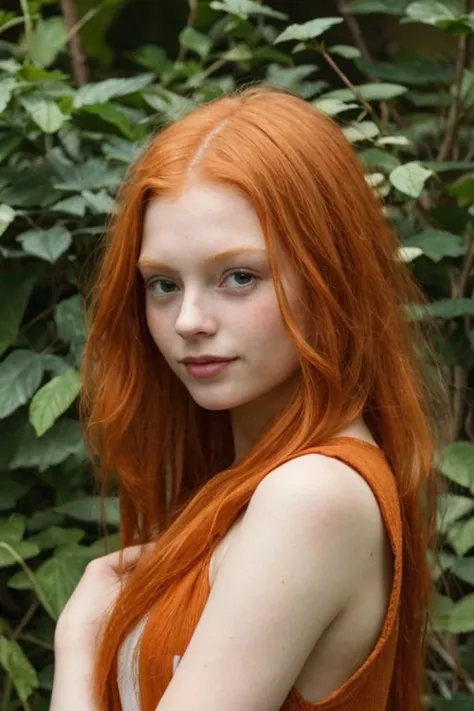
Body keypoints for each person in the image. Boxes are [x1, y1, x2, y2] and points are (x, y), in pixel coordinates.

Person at [50, 85, 450, 711]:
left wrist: (77, 646)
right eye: (161, 284)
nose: (188, 320)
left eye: (239, 277)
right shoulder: (253, 485)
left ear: (329, 280)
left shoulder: (312, 495)